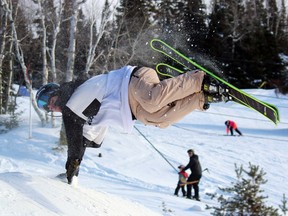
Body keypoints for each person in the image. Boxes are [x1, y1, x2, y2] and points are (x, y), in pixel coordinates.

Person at [36, 66, 222, 184]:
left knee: (152, 99)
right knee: (157, 119)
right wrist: (72, 171)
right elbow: (84, 142)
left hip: (133, 81)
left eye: (49, 100)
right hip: (133, 107)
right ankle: (201, 97)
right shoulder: (81, 115)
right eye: (46, 108)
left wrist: (73, 162)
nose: (51, 107)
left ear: (57, 91)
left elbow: (73, 132)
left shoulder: (77, 93)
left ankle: (199, 79)